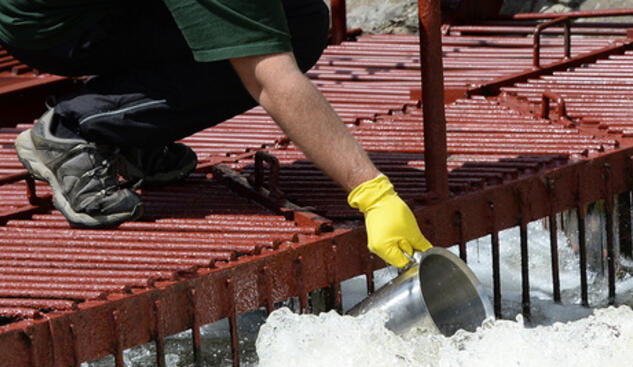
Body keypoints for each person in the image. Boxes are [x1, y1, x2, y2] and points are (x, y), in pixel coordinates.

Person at [0, 0, 432, 268]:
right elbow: (270, 78)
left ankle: (129, 129)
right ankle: (77, 128)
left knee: (298, 16)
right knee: (277, 43)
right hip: (57, 26)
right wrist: (373, 195)